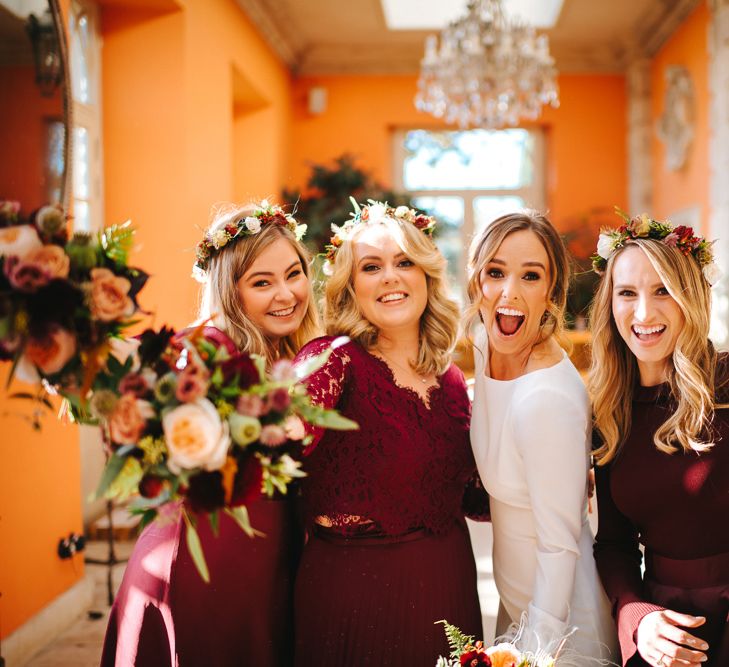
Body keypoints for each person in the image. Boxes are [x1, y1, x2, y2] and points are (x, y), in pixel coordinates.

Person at [101, 201, 320, 667]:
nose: (286, 293)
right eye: (262, 282)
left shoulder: (291, 351)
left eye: (294, 273)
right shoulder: (206, 347)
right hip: (208, 559)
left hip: (268, 560)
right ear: (229, 290)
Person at [292, 201, 486, 666]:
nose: (390, 278)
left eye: (404, 263)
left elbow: (475, 499)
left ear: (427, 276)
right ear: (350, 286)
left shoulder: (452, 380)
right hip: (353, 596)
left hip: (449, 587)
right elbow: (277, 433)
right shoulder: (331, 359)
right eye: (371, 267)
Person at [467, 211, 617, 663]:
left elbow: (558, 546)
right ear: (476, 279)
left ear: (551, 292)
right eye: (495, 272)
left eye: (530, 276)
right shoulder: (484, 345)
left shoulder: (546, 398)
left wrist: (536, 652)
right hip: (512, 605)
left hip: (561, 620)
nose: (509, 293)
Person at [590, 213, 729, 667]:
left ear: (691, 298)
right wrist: (638, 615)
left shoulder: (725, 387)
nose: (644, 313)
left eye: (663, 290)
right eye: (627, 293)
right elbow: (613, 543)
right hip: (660, 635)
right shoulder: (609, 409)